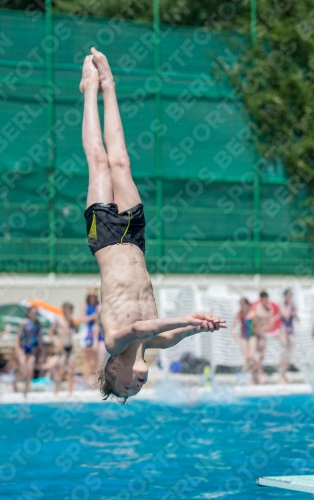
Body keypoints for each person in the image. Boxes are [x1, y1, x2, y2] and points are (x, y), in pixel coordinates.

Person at [79, 48, 226, 403]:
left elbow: (142, 327)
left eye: (126, 385)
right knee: (122, 163)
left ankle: (89, 91)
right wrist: (199, 324)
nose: (136, 385)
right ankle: (109, 86)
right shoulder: (159, 342)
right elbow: (175, 333)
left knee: (99, 161)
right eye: (137, 389)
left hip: (107, 240)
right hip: (135, 237)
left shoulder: (115, 340)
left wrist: (182, 320)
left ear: (113, 368)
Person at [47, 302, 77, 396]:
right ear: (64, 310)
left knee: (72, 370)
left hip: (70, 347)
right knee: (61, 371)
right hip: (62, 348)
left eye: (70, 310)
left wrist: (72, 323)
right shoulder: (58, 321)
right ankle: (56, 393)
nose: (69, 312)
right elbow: (50, 333)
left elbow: (76, 331)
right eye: (68, 310)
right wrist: (56, 342)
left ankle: (70, 393)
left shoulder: (71, 321)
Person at [14, 306, 42, 396]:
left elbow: (39, 338)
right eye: (32, 312)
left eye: (36, 313)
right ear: (29, 313)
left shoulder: (38, 324)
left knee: (30, 371)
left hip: (32, 350)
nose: (34, 314)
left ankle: (26, 392)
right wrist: (17, 349)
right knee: (24, 372)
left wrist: (42, 350)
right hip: (23, 349)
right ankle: (14, 382)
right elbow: (17, 336)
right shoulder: (24, 323)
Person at [232, 298, 258, 384]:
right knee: (247, 357)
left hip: (252, 336)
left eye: (243, 304)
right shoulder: (240, 314)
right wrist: (234, 333)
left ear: (247, 304)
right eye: (240, 305)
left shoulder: (252, 312)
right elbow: (233, 325)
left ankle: (255, 371)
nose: (242, 307)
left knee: (251, 356)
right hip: (243, 336)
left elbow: (258, 324)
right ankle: (250, 374)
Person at [79, 287, 100, 387]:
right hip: (87, 332)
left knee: (96, 359)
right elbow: (81, 319)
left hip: (97, 333)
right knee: (87, 358)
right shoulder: (84, 305)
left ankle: (96, 380)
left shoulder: (98, 306)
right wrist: (93, 317)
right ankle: (87, 381)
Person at [252, 291, 274, 384]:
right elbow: (253, 322)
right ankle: (259, 373)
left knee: (261, 356)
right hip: (255, 334)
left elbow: (272, 323)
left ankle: (256, 373)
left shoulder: (270, 309)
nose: (266, 301)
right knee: (253, 356)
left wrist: (264, 328)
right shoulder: (257, 308)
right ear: (261, 299)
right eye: (264, 299)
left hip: (262, 334)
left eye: (267, 299)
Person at [279, 289, 298, 384]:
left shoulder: (293, 306)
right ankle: (281, 375)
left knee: (289, 354)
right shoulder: (283, 305)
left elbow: (297, 318)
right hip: (284, 331)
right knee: (284, 352)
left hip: (291, 331)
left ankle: (284, 374)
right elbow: (286, 316)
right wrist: (291, 307)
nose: (289, 298)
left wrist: (295, 313)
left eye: (290, 296)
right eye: (288, 296)